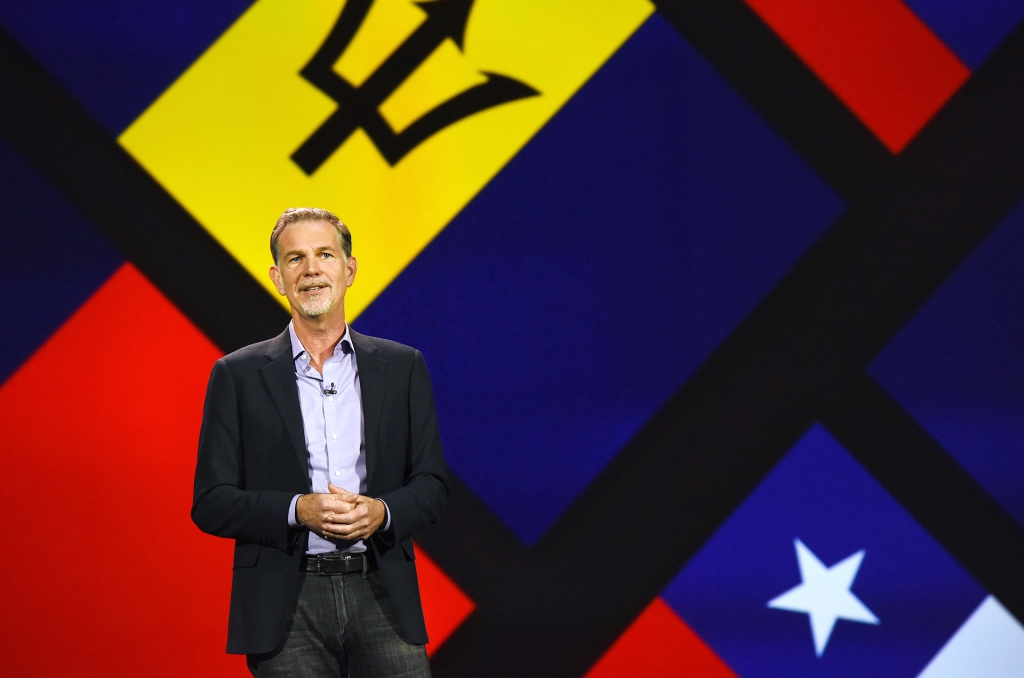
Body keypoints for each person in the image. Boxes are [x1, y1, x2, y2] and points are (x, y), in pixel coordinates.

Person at [192, 207, 448, 677]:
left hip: (382, 590)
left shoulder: (402, 366)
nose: (310, 269)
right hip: (284, 606)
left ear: (348, 269)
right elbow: (211, 502)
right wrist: (297, 510)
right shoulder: (237, 375)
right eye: (295, 259)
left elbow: (432, 484)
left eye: (324, 254)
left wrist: (382, 512)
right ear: (277, 277)